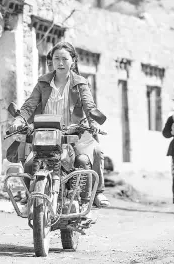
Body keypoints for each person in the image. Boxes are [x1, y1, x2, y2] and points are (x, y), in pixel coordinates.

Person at [8, 41, 110, 217]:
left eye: (64, 59)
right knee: (30, 163)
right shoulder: (43, 82)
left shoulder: (80, 83)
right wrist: (19, 119)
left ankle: (88, 200)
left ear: (73, 61)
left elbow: (89, 106)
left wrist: (93, 122)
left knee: (84, 160)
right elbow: (30, 105)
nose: (60, 63)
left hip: (73, 133)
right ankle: (30, 197)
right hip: (45, 132)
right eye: (56, 59)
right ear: (51, 61)